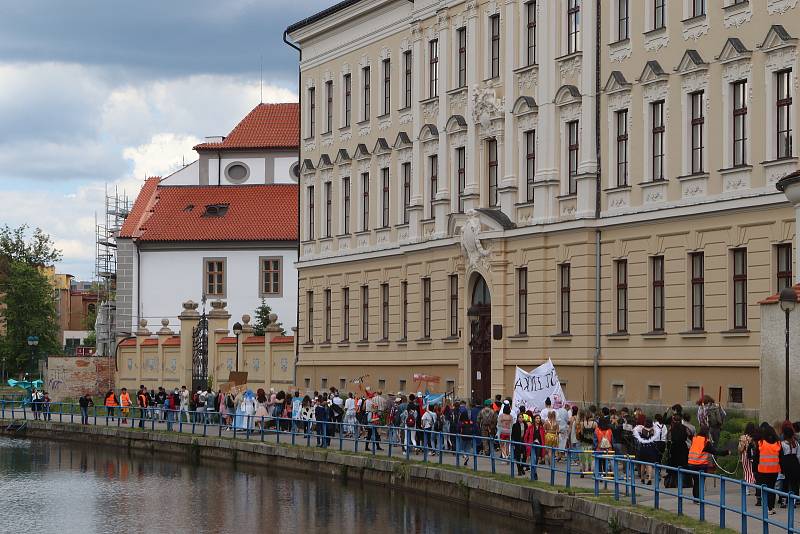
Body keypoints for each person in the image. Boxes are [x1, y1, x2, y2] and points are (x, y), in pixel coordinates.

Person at [687, 426, 730, 503]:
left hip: (691, 464)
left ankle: (696, 498)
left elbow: (689, 436)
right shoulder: (706, 442)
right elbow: (715, 452)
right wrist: (726, 452)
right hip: (701, 465)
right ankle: (698, 498)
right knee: (700, 482)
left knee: (696, 481)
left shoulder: (694, 439)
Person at [633, 419, 660, 485]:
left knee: (643, 464)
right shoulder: (653, 430)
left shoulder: (641, 429)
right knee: (650, 464)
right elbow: (656, 437)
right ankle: (649, 479)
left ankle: (642, 478)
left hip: (643, 448)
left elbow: (635, 432)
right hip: (650, 448)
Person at [780, 426, 800, 507]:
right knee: (794, 483)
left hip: (785, 463)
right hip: (795, 463)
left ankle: (784, 502)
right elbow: (799, 456)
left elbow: (780, 456)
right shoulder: (796, 443)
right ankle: (794, 502)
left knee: (785, 482)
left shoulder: (782, 444)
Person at [738, 422, 758, 491]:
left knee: (746, 471)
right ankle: (755, 486)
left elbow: (740, 449)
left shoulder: (743, 437)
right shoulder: (755, 437)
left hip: (745, 456)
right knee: (754, 471)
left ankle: (747, 488)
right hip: (754, 457)